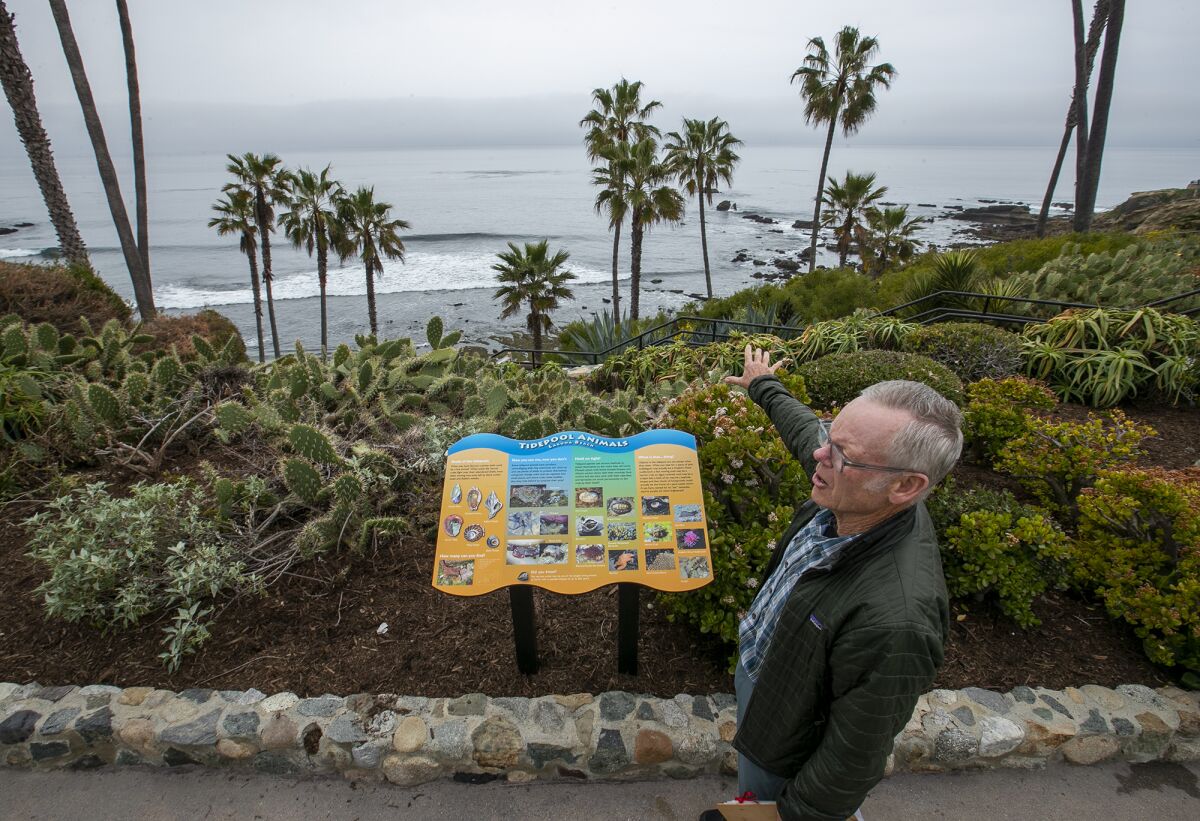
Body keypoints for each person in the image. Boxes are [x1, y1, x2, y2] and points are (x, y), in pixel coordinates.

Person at [710, 345, 962, 821]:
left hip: (789, 729)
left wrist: (782, 817)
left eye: (842, 453)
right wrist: (764, 386)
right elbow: (807, 430)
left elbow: (852, 759)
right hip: (772, 674)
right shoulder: (858, 490)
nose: (819, 454)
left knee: (768, 793)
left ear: (907, 485)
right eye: (832, 435)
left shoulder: (897, 621)